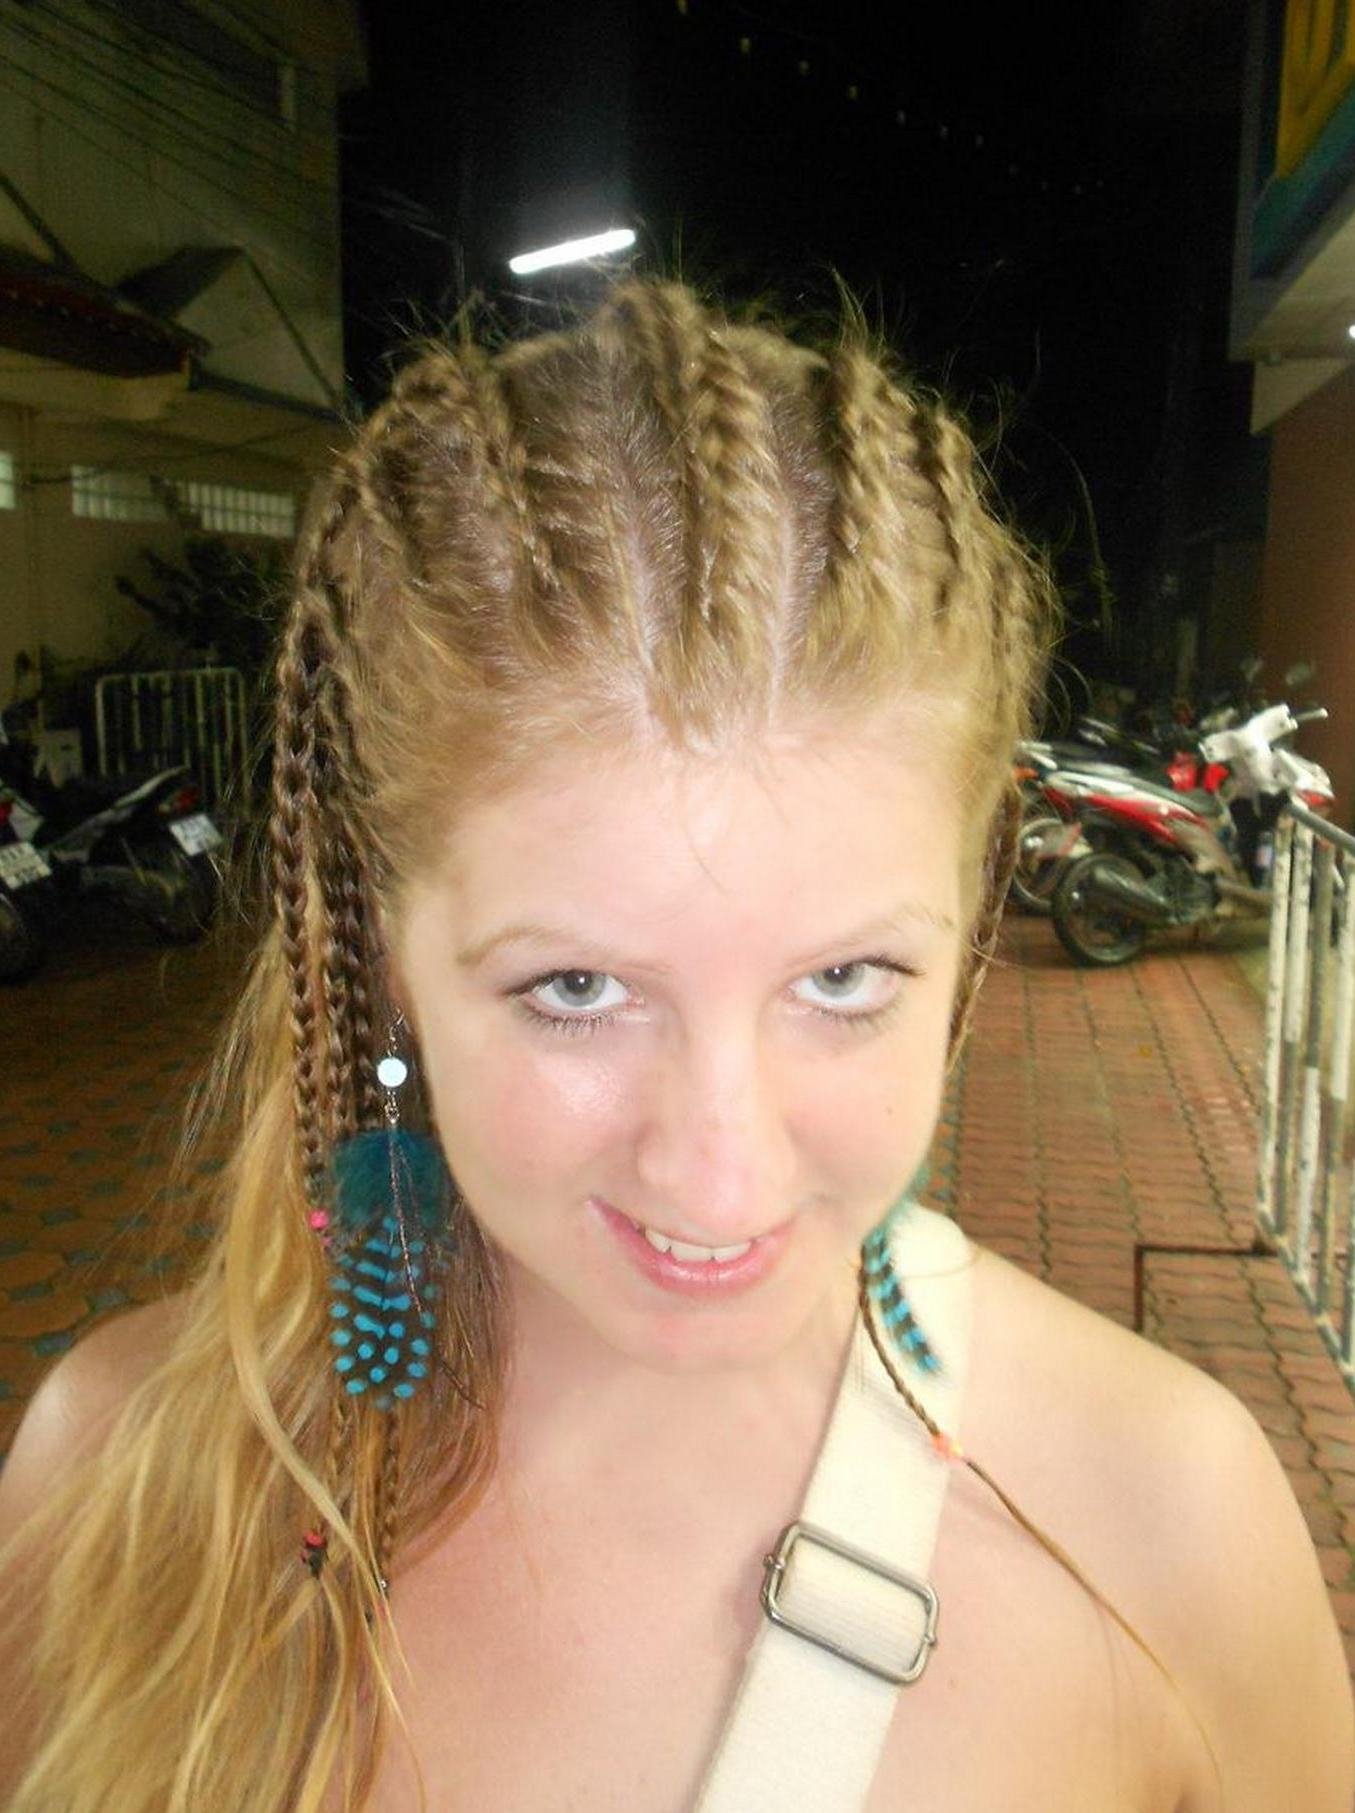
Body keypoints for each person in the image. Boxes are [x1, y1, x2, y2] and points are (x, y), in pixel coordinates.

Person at [1, 274, 1351, 1813]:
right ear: (380, 944)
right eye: (578, 986)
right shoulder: (110, 1487)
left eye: (844, 976)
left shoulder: (1170, 1532)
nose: (721, 1174)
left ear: (972, 914)